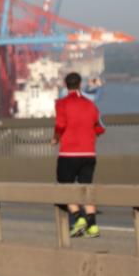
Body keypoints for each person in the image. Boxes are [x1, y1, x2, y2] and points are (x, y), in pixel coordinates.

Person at [51, 72, 106, 238]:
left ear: (66, 85)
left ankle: (79, 218)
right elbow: (100, 129)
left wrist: (55, 138)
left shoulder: (62, 104)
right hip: (89, 154)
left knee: (64, 188)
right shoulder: (90, 105)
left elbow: (60, 124)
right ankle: (93, 227)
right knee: (86, 189)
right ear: (80, 84)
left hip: (68, 154)